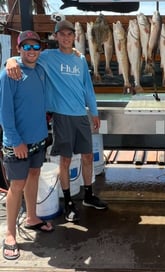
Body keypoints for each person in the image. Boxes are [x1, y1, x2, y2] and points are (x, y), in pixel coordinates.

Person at [6, 20, 107, 223]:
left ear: (75, 37)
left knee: (87, 157)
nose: (66, 38)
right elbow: (27, 56)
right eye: (62, 34)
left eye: (70, 34)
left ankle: (88, 195)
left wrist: (94, 112)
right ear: (55, 37)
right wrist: (10, 61)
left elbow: (88, 88)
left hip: (81, 115)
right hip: (62, 117)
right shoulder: (48, 57)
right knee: (66, 160)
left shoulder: (80, 60)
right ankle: (68, 201)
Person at [0, 30, 54, 260]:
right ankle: (10, 234)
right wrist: (15, 141)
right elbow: (4, 113)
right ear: (19, 49)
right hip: (18, 143)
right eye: (27, 47)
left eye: (36, 47)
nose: (32, 51)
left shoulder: (41, 70)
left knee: (34, 175)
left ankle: (31, 217)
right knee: (17, 186)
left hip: (38, 138)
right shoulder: (9, 74)